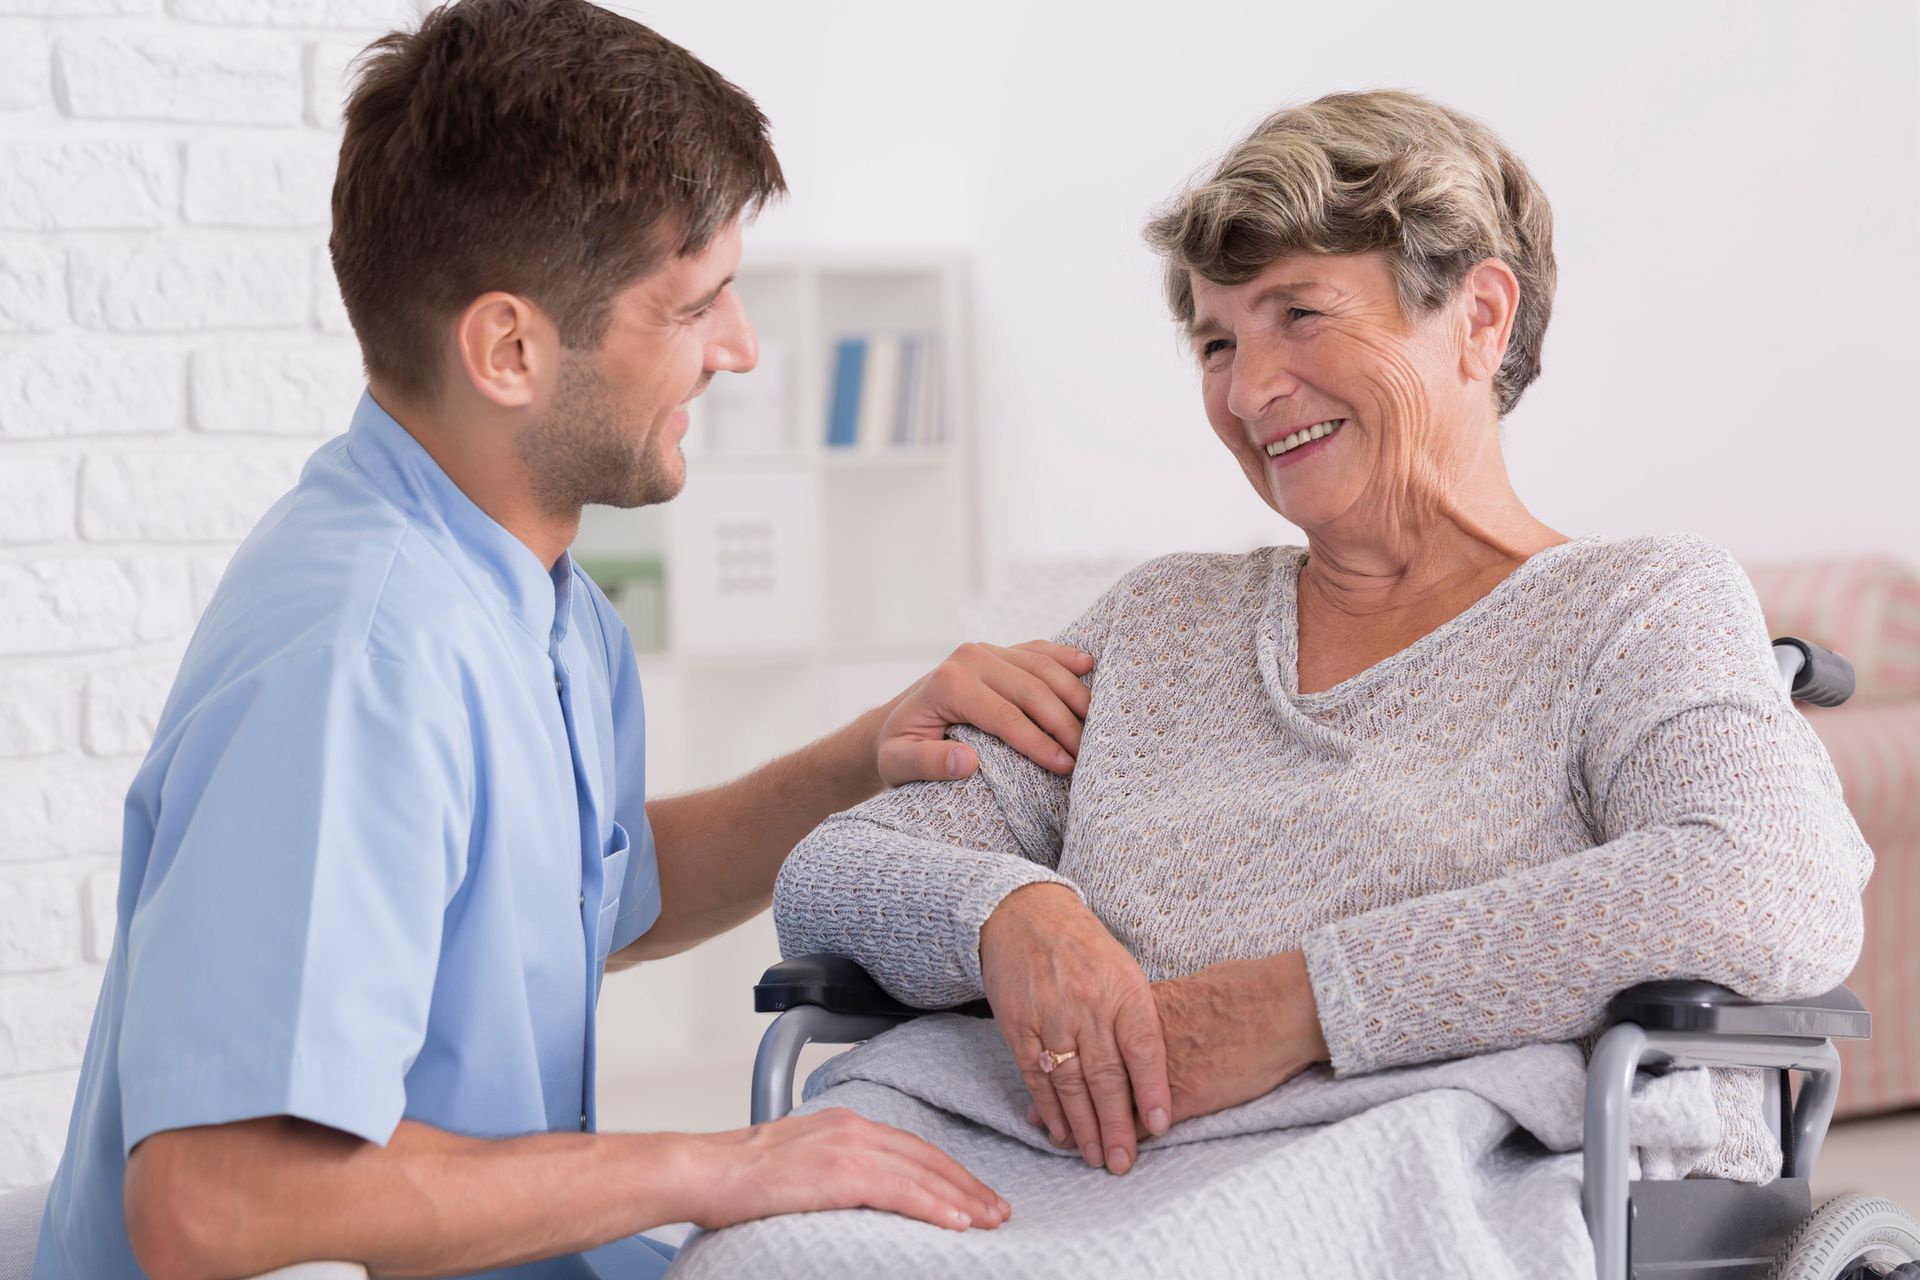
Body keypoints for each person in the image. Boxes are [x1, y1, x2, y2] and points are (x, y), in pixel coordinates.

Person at [688, 89, 1874, 1273]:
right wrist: (1005, 910)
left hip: (1412, 1151)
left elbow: (1771, 879)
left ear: (1478, 317)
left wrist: (1305, 1001)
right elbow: (834, 873)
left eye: (1298, 314)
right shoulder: (1160, 622)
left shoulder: (1639, 607)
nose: (1250, 392)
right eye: (1216, 341)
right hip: (1043, 1151)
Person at [29, 3, 1102, 1277]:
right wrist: (719, 1161)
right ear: (510, 347)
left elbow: (593, 889)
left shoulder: (537, 597)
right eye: (694, 305)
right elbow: (216, 1198)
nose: (740, 349)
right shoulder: (360, 660)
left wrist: (869, 752)